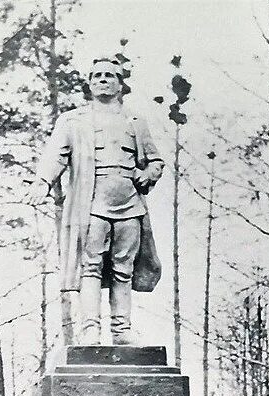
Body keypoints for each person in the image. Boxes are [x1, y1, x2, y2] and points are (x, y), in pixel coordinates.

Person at [29, 57, 163, 345]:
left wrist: (148, 174)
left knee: (123, 268)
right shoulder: (73, 120)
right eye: (97, 75)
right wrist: (42, 181)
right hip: (92, 204)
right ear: (89, 83)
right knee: (90, 266)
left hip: (130, 204)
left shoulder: (135, 121)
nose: (103, 79)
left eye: (110, 75)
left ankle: (121, 330)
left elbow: (155, 161)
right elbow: (56, 155)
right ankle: (90, 328)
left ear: (120, 83)